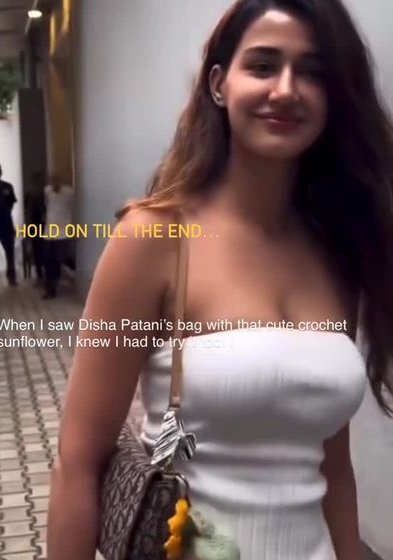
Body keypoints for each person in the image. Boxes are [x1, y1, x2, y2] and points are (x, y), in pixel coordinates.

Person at [47, 1, 393, 559]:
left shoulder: (336, 248)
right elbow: (79, 462)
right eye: (263, 66)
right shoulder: (155, 238)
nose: (286, 89)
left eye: (312, 72)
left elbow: (332, 464)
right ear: (218, 84)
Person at [42, 175, 73, 299]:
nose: (54, 183)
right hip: (49, 233)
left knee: (62, 258)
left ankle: (72, 276)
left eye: (57, 180)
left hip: (63, 233)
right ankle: (50, 290)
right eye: (52, 181)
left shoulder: (69, 192)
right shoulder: (47, 191)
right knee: (48, 261)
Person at [24, 171, 46, 284]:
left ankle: (44, 276)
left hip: (46, 225)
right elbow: (28, 212)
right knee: (38, 251)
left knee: (44, 251)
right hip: (36, 226)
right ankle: (40, 275)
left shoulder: (47, 194)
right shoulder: (31, 195)